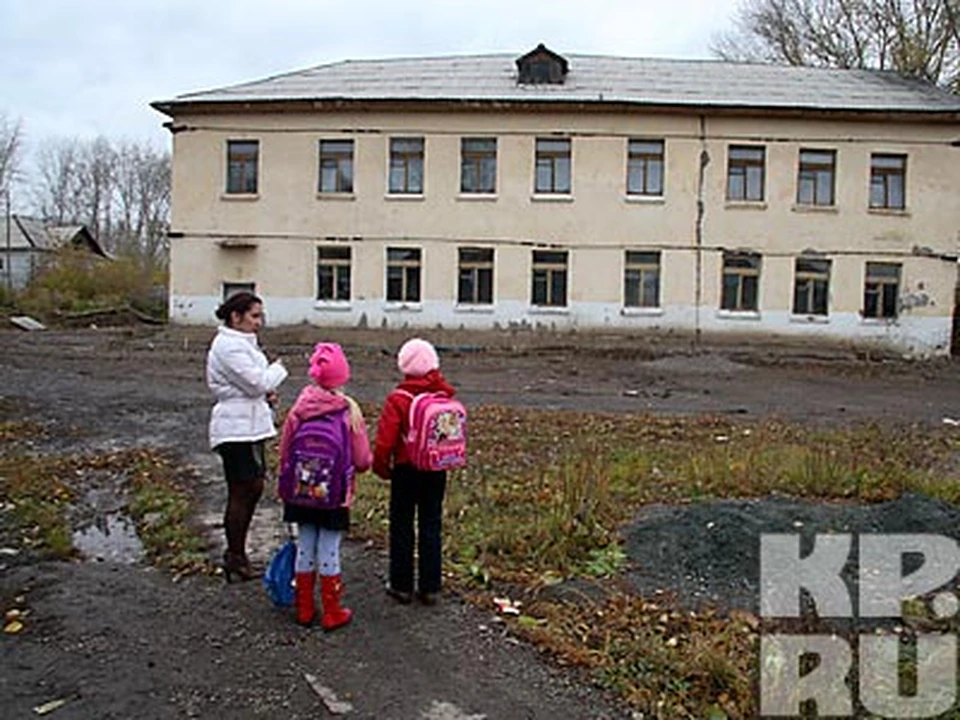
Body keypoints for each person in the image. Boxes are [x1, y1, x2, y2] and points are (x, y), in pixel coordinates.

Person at [278, 342, 372, 629]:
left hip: (301, 493)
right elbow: (362, 459)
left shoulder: (299, 408)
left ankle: (304, 608)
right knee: (329, 548)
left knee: (305, 544)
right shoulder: (348, 412)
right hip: (333, 496)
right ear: (343, 377)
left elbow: (284, 451)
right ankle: (332, 610)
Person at [206, 292, 288, 582]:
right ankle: (235, 557)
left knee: (252, 487)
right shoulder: (228, 346)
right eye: (254, 316)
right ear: (235, 317)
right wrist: (277, 370)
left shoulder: (242, 344)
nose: (259, 322)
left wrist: (266, 390)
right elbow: (257, 382)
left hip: (249, 424)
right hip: (236, 428)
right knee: (242, 490)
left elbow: (255, 385)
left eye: (260, 316)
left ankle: (237, 555)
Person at [373, 338, 457, 606]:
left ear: (403, 366)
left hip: (406, 468)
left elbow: (385, 440)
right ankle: (431, 586)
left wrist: (382, 466)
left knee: (402, 524)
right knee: (431, 524)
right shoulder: (443, 396)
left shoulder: (398, 398)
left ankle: (401, 585)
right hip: (435, 467)